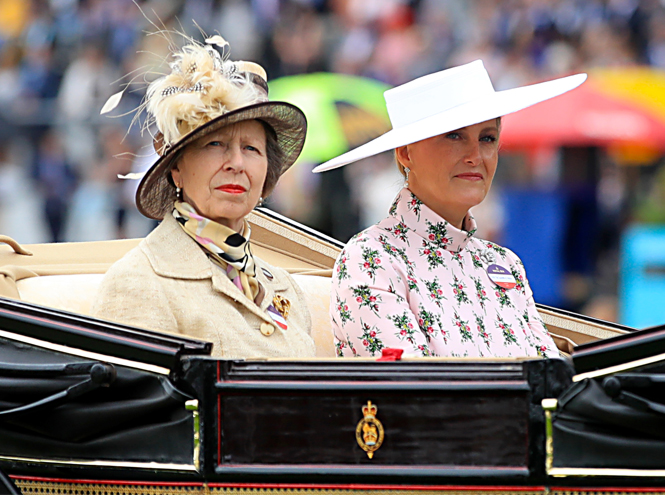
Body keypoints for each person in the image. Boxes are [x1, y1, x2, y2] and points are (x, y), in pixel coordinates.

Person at [313, 60, 587, 358]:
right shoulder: (371, 258)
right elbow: (413, 392)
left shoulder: (505, 264)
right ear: (406, 153)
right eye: (454, 136)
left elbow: (551, 375)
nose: (475, 156)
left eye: (487, 138)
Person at [92, 36, 315, 359]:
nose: (237, 164)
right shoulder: (138, 282)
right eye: (215, 144)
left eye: (251, 148)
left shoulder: (283, 286)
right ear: (176, 169)